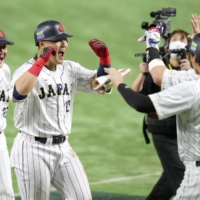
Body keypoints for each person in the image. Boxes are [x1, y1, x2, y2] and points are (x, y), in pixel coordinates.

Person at [10, 20, 112, 200]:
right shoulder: (25, 70)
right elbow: (17, 94)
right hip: (32, 149)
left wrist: (105, 61)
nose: (64, 44)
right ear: (42, 44)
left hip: (63, 148)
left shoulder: (70, 69)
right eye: (58, 40)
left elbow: (103, 88)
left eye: (65, 39)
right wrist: (40, 62)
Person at [104, 24, 200, 199]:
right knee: (168, 179)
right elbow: (159, 75)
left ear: (193, 58)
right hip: (173, 142)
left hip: (197, 176)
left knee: (176, 179)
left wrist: (119, 82)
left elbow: (142, 102)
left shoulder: (193, 87)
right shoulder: (192, 77)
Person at [131, 29, 192, 200]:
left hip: (185, 131)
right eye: (174, 39)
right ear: (167, 43)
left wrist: (191, 72)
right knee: (183, 179)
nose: (178, 42)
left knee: (170, 178)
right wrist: (142, 74)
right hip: (163, 130)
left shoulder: (193, 67)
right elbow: (138, 98)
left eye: (182, 40)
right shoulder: (158, 68)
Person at [0, 30, 15, 200]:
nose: (1, 51)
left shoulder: (6, 71)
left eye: (3, 47)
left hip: (0, 140)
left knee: (6, 195)